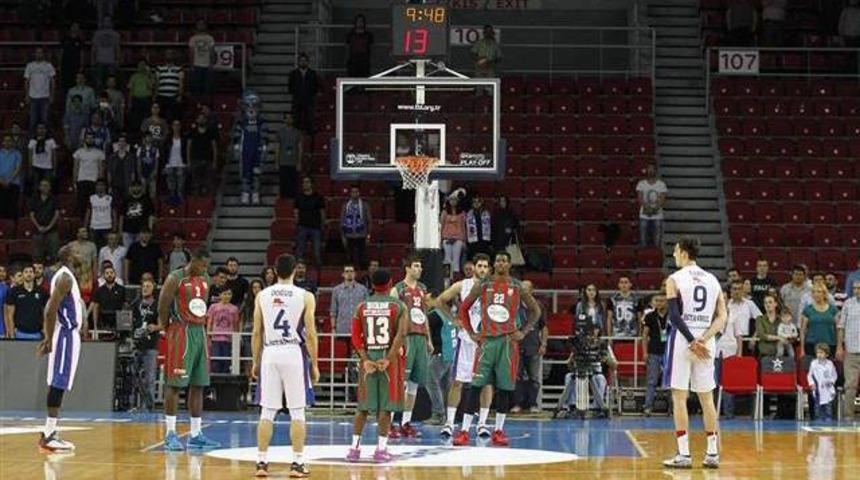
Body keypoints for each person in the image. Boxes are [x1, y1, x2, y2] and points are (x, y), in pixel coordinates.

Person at [454, 251, 541, 447]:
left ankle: (499, 431)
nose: (501, 263)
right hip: (487, 341)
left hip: (508, 343)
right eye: (498, 260)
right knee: (475, 386)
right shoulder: (484, 284)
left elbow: (536, 311)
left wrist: (524, 331)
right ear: (495, 264)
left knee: (504, 388)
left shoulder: (517, 286)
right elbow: (463, 308)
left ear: (509, 265)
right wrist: (471, 332)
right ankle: (465, 431)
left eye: (504, 261)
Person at [662, 236, 727, 469]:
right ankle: (711, 453)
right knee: (706, 398)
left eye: (675, 251)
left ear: (684, 253)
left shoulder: (674, 279)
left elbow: (674, 316)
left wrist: (691, 340)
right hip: (706, 340)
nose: (673, 255)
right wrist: (705, 338)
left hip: (683, 340)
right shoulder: (713, 280)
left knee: (679, 397)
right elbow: (722, 317)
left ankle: (684, 454)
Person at [251, 254, 319, 477]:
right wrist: (315, 363)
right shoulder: (305, 296)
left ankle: (261, 463)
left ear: (274, 270)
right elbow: (310, 333)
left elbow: (256, 332)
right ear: (294, 272)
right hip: (293, 352)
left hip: (270, 351)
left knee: (267, 412)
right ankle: (297, 464)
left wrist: (255, 361)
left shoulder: (262, 295)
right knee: (297, 412)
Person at [157, 246, 221, 451]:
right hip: (180, 331)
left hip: (199, 331)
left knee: (199, 383)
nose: (205, 269)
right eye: (202, 265)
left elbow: (201, 305)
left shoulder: (206, 280)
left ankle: (195, 434)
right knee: (175, 384)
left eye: (207, 266)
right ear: (192, 261)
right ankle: (170, 434)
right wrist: (166, 326)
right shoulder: (175, 278)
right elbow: (163, 305)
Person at [345, 269, 408, 464]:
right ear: (390, 283)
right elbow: (401, 335)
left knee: (363, 407)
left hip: (369, 360)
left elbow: (355, 337)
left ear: (372, 284)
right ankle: (381, 450)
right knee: (386, 407)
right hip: (388, 361)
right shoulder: (399, 306)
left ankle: (354, 449)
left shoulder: (361, 306)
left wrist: (364, 359)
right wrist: (388, 358)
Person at [434, 253, 492, 437]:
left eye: (485, 266)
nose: (482, 269)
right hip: (466, 339)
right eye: (479, 265)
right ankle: (449, 423)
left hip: (485, 342)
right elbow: (440, 300)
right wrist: (453, 320)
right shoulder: (463, 285)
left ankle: (482, 423)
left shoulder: (493, 287)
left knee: (486, 383)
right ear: (473, 267)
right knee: (458, 382)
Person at [36, 246, 84, 452]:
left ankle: (50, 432)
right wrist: (48, 337)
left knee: (59, 382)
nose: (81, 254)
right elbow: (50, 309)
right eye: (77, 252)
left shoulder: (66, 277)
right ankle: (49, 434)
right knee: (58, 382)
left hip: (67, 334)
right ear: (68, 257)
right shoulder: (65, 278)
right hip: (65, 334)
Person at [387, 255, 432, 438]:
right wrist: (396, 342)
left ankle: (406, 422)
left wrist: (428, 339)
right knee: (400, 383)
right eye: (416, 266)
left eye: (420, 266)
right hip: (406, 339)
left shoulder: (422, 289)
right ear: (407, 268)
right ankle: (389, 423)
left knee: (414, 384)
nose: (419, 269)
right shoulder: (397, 289)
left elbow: (424, 314)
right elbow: (392, 318)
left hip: (421, 338)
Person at [553, 324, 614, 418]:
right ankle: (572, 407)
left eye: (595, 329)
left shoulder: (602, 344)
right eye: (590, 331)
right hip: (580, 369)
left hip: (597, 373)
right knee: (569, 377)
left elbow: (614, 365)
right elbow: (569, 365)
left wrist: (605, 358)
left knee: (600, 379)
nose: (592, 333)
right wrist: (574, 360)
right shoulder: (580, 344)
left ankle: (597, 409)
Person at [512, 280, 547, 414]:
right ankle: (517, 404)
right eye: (522, 288)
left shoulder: (538, 306)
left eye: (526, 289)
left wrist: (543, 343)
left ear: (532, 291)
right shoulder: (514, 306)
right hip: (516, 345)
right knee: (516, 376)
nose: (524, 291)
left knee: (534, 377)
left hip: (533, 345)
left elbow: (544, 327)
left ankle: (533, 404)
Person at [715, 280, 747, 419]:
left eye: (724, 297)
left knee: (728, 383)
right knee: (714, 382)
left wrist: (739, 353)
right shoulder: (712, 316)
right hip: (715, 352)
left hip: (731, 351)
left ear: (728, 299)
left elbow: (739, 335)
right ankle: (714, 411)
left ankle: (728, 413)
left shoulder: (734, 315)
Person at [131, 277, 160, 410]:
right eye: (143, 286)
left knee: (149, 378)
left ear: (153, 288)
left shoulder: (157, 305)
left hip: (151, 345)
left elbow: (163, 323)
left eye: (148, 286)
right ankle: (133, 405)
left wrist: (156, 327)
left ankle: (149, 406)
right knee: (132, 376)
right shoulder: (135, 303)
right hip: (136, 344)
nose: (145, 288)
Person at [837, 279, 860, 420]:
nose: (857, 290)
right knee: (850, 385)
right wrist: (840, 346)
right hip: (851, 350)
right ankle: (848, 416)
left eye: (859, 288)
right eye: (855, 288)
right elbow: (841, 327)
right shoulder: (848, 304)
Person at [642, 292, 668, 416]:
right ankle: (648, 407)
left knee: (671, 381)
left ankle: (673, 408)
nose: (659, 303)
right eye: (657, 301)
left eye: (662, 301)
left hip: (669, 353)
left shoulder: (673, 316)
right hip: (653, 352)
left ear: (667, 302)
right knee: (652, 380)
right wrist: (644, 352)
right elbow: (645, 335)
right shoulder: (650, 316)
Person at [5, 265, 48, 339]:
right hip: (19, 333)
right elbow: (10, 315)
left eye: (31, 272)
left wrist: (45, 332)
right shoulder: (14, 291)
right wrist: (12, 335)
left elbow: (46, 314)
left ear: (34, 275)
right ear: (22, 275)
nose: (29, 274)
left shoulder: (42, 292)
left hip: (37, 333)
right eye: (26, 272)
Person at [800, 284, 839, 358]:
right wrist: (802, 349)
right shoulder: (808, 310)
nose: (816, 294)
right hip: (811, 345)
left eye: (819, 292)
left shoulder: (833, 310)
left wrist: (839, 347)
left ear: (824, 294)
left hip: (830, 345)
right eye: (814, 292)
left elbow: (837, 329)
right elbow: (803, 331)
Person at [294, 177, 325, 269]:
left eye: (307, 182)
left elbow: (322, 212)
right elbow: (296, 212)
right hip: (302, 226)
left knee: (316, 251)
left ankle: (319, 271)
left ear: (312, 184)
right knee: (300, 251)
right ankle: (299, 270)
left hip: (316, 227)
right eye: (303, 182)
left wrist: (322, 225)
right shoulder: (299, 197)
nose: (305, 184)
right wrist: (298, 223)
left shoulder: (318, 197)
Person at [73, 132, 105, 216]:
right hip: (81, 181)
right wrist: (74, 181)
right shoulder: (78, 152)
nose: (90, 140)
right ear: (84, 140)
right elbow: (76, 167)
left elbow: (101, 169)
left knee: (93, 204)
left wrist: (100, 183)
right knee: (81, 204)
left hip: (93, 181)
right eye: (88, 138)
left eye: (91, 138)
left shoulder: (99, 153)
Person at [24, 47, 56, 134]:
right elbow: (27, 81)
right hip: (33, 97)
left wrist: (52, 95)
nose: (39, 54)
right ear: (35, 54)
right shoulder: (30, 66)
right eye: (37, 52)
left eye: (40, 52)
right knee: (32, 121)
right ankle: (32, 141)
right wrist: (26, 95)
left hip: (45, 97)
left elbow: (52, 81)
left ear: (43, 54)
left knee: (45, 120)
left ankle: (48, 139)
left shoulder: (48, 66)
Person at [330, 264, 369, 335]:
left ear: (355, 274)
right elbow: (333, 311)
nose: (349, 273)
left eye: (351, 271)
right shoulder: (336, 290)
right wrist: (333, 328)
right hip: (342, 328)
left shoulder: (363, 289)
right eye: (347, 271)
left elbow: (367, 310)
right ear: (343, 274)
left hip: (359, 327)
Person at [207, 289, 239, 373]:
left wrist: (235, 338)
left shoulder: (234, 308)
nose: (227, 296)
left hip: (228, 339)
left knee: (226, 360)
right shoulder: (213, 307)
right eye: (224, 294)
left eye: (229, 294)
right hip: (215, 338)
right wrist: (208, 335)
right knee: (215, 360)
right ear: (220, 295)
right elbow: (210, 321)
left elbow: (236, 324)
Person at [727, 280, 762, 356]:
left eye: (739, 289)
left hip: (746, 340)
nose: (737, 291)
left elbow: (760, 320)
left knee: (745, 365)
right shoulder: (727, 304)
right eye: (734, 289)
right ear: (731, 291)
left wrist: (754, 337)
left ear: (743, 290)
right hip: (729, 340)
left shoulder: (749, 304)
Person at [340, 186, 372, 269]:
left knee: (362, 257)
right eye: (353, 192)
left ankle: (363, 272)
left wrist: (368, 234)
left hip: (362, 235)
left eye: (356, 191)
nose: (355, 193)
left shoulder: (364, 205)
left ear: (359, 193)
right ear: (350, 193)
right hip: (349, 235)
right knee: (349, 257)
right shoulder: (346, 205)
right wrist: (343, 235)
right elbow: (342, 220)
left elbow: (369, 220)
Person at [636, 165, 667, 248]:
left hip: (657, 215)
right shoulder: (641, 184)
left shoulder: (661, 184)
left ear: (655, 171)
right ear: (646, 171)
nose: (650, 171)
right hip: (644, 215)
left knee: (657, 239)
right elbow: (640, 198)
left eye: (652, 169)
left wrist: (654, 209)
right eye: (649, 169)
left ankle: (656, 256)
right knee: (643, 238)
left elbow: (662, 199)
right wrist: (647, 208)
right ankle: (644, 255)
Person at [187, 113, 218, 196]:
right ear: (197, 120)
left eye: (203, 118)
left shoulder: (210, 132)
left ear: (206, 120)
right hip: (195, 160)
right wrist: (189, 161)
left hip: (208, 160)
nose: (201, 120)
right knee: (196, 183)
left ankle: (209, 203)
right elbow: (188, 147)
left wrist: (214, 161)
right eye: (199, 118)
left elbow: (214, 147)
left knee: (208, 183)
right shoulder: (192, 132)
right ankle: (196, 203)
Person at [29, 179, 60, 261]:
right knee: (37, 256)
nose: (44, 187)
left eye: (46, 185)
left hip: (52, 231)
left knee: (54, 255)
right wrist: (38, 227)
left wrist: (49, 227)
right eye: (42, 185)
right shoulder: (34, 199)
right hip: (37, 231)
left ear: (50, 188)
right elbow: (31, 215)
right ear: (39, 187)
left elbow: (56, 214)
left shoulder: (54, 199)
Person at [288, 52, 318, 136]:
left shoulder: (312, 73)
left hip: (309, 101)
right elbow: (290, 87)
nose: (303, 62)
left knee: (310, 121)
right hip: (297, 100)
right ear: (298, 62)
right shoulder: (293, 74)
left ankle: (310, 139)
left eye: (305, 61)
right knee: (296, 120)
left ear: (308, 62)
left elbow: (315, 87)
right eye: (301, 61)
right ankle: (294, 136)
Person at [90, 264, 125, 333]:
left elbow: (125, 306)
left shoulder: (122, 289)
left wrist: (123, 326)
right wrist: (95, 325)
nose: (109, 275)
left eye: (111, 273)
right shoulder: (99, 290)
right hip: (103, 320)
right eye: (107, 273)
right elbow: (96, 307)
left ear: (115, 274)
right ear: (103, 276)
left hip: (117, 320)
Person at [119, 180, 155, 248]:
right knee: (127, 252)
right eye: (134, 186)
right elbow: (121, 216)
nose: (136, 188)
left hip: (141, 231)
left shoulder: (146, 199)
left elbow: (151, 216)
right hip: (127, 230)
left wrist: (149, 230)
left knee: (140, 251)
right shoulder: (126, 199)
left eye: (137, 186)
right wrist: (120, 230)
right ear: (131, 188)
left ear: (141, 187)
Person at [807, 343, 837, 421]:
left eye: (821, 353)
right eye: (817, 353)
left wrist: (832, 381)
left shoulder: (830, 364)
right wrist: (812, 384)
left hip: (828, 388)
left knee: (828, 405)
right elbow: (809, 375)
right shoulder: (813, 364)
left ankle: (828, 418)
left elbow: (834, 375)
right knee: (817, 405)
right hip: (817, 388)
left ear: (826, 354)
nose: (819, 355)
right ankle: (818, 418)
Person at [187, 19, 216, 99]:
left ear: (206, 26)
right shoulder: (193, 38)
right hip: (196, 65)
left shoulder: (210, 38)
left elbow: (212, 51)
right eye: (199, 24)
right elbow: (191, 52)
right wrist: (191, 65)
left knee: (207, 88)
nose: (201, 26)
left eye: (203, 24)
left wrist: (211, 64)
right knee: (196, 87)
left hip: (207, 65)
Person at [90, 16, 120, 90]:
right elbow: (94, 48)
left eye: (108, 21)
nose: (107, 23)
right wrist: (92, 60)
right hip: (100, 61)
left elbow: (117, 48)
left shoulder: (115, 34)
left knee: (111, 83)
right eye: (105, 21)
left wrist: (118, 60)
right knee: (99, 82)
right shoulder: (97, 33)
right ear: (102, 22)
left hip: (111, 61)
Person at [276, 112, 302, 199]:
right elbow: (278, 147)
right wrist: (276, 161)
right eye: (286, 118)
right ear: (284, 120)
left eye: (290, 118)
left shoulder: (297, 132)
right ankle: (283, 199)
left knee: (293, 182)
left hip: (293, 162)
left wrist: (299, 162)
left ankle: (293, 199)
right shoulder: (280, 132)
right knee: (283, 182)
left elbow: (300, 148)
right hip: (283, 161)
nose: (288, 120)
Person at [154, 50, 184, 123]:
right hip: (161, 96)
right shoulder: (159, 68)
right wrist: (155, 95)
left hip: (173, 97)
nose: (169, 56)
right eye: (167, 54)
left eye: (171, 54)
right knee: (160, 118)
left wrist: (180, 95)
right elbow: (157, 83)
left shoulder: (179, 69)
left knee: (175, 117)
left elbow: (181, 83)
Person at [84, 179, 115, 249]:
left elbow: (114, 213)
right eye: (98, 185)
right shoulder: (91, 198)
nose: (100, 187)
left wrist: (114, 228)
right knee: (94, 248)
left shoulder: (110, 198)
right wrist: (85, 227)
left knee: (107, 248)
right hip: (94, 227)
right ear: (95, 187)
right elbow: (88, 213)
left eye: (102, 185)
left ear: (105, 187)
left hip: (107, 227)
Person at [755, 293, 789, 358]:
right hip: (765, 355)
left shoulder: (782, 320)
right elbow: (762, 335)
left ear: (775, 304)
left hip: (781, 354)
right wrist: (778, 337)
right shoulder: (759, 319)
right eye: (765, 303)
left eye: (770, 302)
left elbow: (786, 335)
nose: (767, 305)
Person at [127, 60, 154, 137]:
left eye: (143, 65)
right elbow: (130, 90)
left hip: (146, 100)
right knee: (136, 120)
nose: (141, 67)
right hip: (136, 100)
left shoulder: (149, 76)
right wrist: (129, 102)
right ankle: (136, 135)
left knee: (146, 119)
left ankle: (145, 134)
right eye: (140, 65)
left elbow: (151, 87)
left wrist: (149, 75)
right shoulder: (134, 77)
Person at [441, 196, 466, 278]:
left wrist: (464, 241)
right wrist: (440, 239)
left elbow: (463, 227)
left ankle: (455, 278)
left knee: (456, 259)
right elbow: (441, 225)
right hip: (446, 237)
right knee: (447, 258)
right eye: (451, 199)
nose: (453, 201)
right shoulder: (444, 212)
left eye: (455, 199)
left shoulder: (462, 213)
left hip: (458, 238)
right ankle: (447, 278)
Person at [28, 123, 58, 188]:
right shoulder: (32, 141)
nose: (41, 130)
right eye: (39, 128)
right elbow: (30, 156)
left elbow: (54, 156)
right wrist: (30, 169)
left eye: (43, 128)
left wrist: (54, 169)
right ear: (36, 130)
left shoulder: (51, 141)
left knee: (47, 187)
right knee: (36, 187)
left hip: (47, 167)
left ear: (46, 130)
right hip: (36, 167)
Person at [164, 120, 187, 205]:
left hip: (181, 164)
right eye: (174, 125)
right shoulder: (168, 138)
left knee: (180, 187)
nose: (176, 127)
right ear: (172, 127)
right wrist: (165, 164)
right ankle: (172, 204)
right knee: (171, 187)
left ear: (180, 127)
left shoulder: (184, 138)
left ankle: (182, 206)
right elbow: (165, 152)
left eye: (178, 125)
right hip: (170, 164)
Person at [107, 132, 136, 200]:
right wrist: (109, 186)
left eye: (123, 141)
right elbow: (109, 172)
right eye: (120, 141)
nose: (121, 143)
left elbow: (133, 172)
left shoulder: (130, 157)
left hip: (127, 184)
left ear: (126, 143)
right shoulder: (112, 157)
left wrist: (132, 186)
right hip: (115, 185)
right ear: (117, 143)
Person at [0, 135, 23, 219]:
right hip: (0, 183)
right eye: (5, 140)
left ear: (12, 143)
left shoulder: (17, 153)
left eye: (9, 140)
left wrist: (9, 180)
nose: (7, 142)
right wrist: (1, 180)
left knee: (12, 206)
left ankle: (12, 228)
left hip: (14, 183)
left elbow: (18, 168)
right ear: (2, 142)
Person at [135, 131, 160, 202]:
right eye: (147, 137)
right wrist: (140, 174)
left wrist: (155, 172)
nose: (149, 139)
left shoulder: (155, 149)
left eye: (150, 137)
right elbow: (138, 162)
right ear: (144, 138)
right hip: (143, 173)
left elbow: (156, 162)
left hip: (152, 173)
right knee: (143, 193)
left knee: (153, 193)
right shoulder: (140, 149)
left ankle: (153, 208)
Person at [59, 23, 84, 93]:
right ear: (71, 28)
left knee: (75, 82)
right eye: (74, 27)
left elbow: (82, 53)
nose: (75, 28)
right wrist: (59, 64)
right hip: (65, 64)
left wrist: (81, 64)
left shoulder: (79, 40)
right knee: (66, 83)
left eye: (77, 27)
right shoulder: (65, 39)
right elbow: (61, 52)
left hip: (75, 64)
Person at [465, 197, 492, 261]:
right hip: (473, 242)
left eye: (478, 202)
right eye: (475, 202)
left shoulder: (486, 214)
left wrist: (490, 242)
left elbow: (491, 228)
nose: (476, 204)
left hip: (484, 241)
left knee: (484, 259)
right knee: (474, 259)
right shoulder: (469, 214)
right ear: (472, 204)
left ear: (481, 203)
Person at [0, 266, 9, 338]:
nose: (2, 273)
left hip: (2, 330)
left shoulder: (6, 289)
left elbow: (7, 312)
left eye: (4, 271)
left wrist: (8, 330)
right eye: (0, 271)